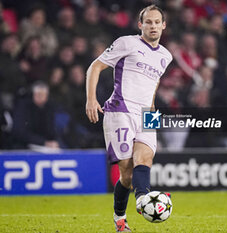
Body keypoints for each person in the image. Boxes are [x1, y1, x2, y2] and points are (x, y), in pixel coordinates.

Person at [85, 5, 172, 232]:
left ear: (163, 25)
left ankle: (143, 200)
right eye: (148, 22)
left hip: (146, 113)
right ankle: (119, 218)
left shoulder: (166, 56)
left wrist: (152, 117)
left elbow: (152, 88)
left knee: (145, 159)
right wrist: (91, 100)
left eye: (157, 22)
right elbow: (95, 67)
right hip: (120, 110)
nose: (153, 26)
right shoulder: (126, 43)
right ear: (140, 25)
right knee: (127, 174)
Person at [12, 81, 59, 149]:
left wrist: (53, 142)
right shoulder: (23, 107)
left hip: (44, 146)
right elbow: (19, 132)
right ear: (33, 94)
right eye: (38, 94)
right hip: (23, 145)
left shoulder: (49, 108)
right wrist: (43, 142)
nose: (40, 97)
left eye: (43, 94)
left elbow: (52, 130)